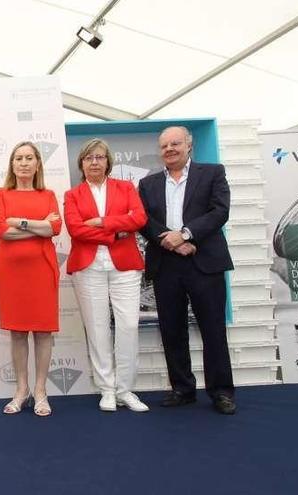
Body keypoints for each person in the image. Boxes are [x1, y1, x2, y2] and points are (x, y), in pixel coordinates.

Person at [138, 126, 236, 415]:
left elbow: (220, 211)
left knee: (213, 329)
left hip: (204, 262)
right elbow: (144, 220)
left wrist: (186, 234)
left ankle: (221, 392)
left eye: (175, 143)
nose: (170, 149)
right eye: (164, 145)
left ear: (189, 146)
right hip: (166, 263)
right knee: (172, 330)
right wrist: (171, 241)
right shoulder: (149, 183)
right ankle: (182, 388)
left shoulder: (213, 173)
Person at [63, 138, 149, 413]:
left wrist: (101, 223)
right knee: (98, 329)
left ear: (108, 161)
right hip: (88, 267)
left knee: (128, 326)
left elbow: (139, 219)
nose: (95, 162)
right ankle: (107, 390)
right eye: (89, 158)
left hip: (125, 266)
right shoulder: (73, 195)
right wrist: (117, 233)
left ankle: (125, 389)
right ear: (82, 164)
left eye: (99, 157)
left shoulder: (125, 188)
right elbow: (76, 229)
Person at [0, 142, 61, 418]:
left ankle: (41, 390)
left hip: (42, 271)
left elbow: (54, 228)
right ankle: (21, 390)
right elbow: (0, 230)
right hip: (11, 272)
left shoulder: (48, 194)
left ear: (37, 163)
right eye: (18, 158)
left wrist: (18, 221)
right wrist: (37, 226)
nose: (23, 163)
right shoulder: (1, 194)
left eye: (29, 158)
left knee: (43, 332)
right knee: (17, 331)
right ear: (12, 164)